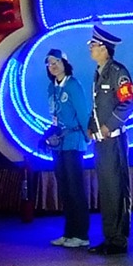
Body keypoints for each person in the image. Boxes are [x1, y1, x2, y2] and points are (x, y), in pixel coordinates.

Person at [85, 25, 133, 255]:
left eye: (94, 45)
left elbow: (131, 100)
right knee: (106, 190)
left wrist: (109, 125)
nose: (91, 49)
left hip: (114, 140)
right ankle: (109, 237)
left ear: (105, 49)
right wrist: (91, 126)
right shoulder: (99, 72)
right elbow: (98, 106)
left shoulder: (118, 72)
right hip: (101, 142)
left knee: (116, 189)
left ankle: (118, 240)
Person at [43, 48, 91, 248]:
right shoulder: (52, 87)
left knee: (75, 188)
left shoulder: (73, 85)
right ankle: (69, 232)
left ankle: (81, 234)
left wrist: (87, 137)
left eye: (57, 62)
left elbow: (83, 113)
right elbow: (54, 115)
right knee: (64, 188)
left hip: (73, 142)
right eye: (50, 63)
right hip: (59, 145)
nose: (53, 66)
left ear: (65, 63)